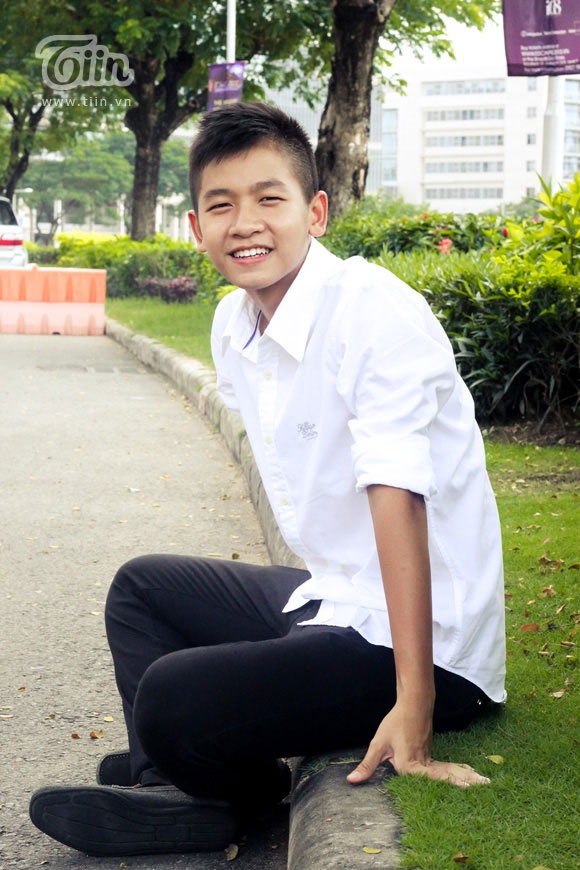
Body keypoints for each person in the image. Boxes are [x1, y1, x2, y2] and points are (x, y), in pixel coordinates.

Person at [30, 102, 506, 858]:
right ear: (196, 227)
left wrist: (413, 706)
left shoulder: (373, 312)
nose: (244, 223)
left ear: (315, 212)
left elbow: (399, 495)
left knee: (171, 695)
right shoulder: (234, 325)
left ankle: (223, 780)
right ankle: (173, 791)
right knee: (141, 589)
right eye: (221, 205)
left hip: (427, 645)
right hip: (336, 598)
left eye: (268, 198)